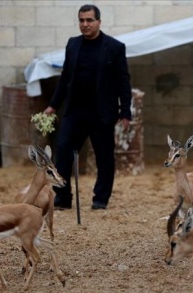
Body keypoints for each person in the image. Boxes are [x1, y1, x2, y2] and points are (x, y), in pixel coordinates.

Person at [44, 4, 132, 210]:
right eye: (81, 20)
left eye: (89, 20)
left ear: (99, 22)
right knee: (63, 151)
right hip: (75, 111)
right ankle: (63, 198)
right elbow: (65, 77)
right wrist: (53, 105)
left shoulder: (115, 47)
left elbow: (123, 82)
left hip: (102, 114)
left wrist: (125, 111)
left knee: (104, 158)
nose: (85, 24)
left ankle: (100, 199)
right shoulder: (73, 45)